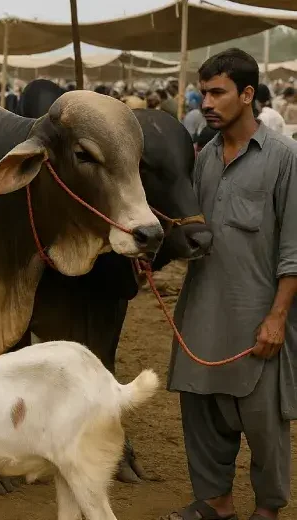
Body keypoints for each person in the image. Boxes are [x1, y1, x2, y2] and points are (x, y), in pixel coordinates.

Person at [163, 48, 297, 520]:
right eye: (205, 92)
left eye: (218, 93)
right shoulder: (204, 160)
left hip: (256, 314)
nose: (207, 102)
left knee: (263, 423)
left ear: (247, 94)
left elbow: (294, 251)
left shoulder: (284, 159)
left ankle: (268, 508)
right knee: (201, 411)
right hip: (201, 310)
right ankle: (216, 502)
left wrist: (277, 317)